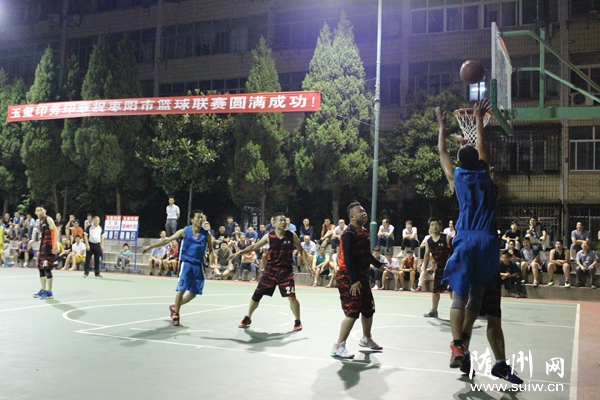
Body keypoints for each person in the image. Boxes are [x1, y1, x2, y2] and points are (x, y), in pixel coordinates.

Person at [437, 100, 511, 375]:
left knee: (459, 295)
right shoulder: (485, 175)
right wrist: (479, 119)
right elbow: (482, 145)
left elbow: (442, 151)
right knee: (478, 294)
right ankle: (471, 352)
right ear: (480, 163)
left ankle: (458, 346)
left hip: (465, 239)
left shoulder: (457, 177)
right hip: (488, 241)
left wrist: (442, 126)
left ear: (459, 163)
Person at [229, 212, 306, 332]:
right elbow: (254, 247)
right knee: (257, 295)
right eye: (281, 220)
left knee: (291, 296)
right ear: (274, 223)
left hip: (286, 272)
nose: (283, 222)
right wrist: (240, 252)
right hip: (270, 271)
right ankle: (248, 317)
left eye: (284, 220)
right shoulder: (269, 236)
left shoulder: (292, 235)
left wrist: (308, 264)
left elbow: (301, 249)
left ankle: (297, 321)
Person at [142, 209, 214, 326]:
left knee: (193, 294)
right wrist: (150, 247)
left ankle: (174, 306)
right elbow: (167, 240)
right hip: (186, 264)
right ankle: (176, 314)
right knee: (181, 290)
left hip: (198, 265)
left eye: (202, 217)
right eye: (198, 217)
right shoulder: (184, 231)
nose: (201, 219)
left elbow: (211, 250)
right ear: (192, 219)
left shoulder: (206, 234)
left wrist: (212, 262)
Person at [331, 202, 384, 359]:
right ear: (352, 217)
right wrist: (353, 280)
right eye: (360, 211)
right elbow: (347, 258)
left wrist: (378, 265)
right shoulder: (349, 233)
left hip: (361, 276)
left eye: (364, 210)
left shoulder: (364, 232)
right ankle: (338, 346)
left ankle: (366, 339)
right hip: (348, 276)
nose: (364, 213)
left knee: (368, 309)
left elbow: (366, 254)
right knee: (352, 312)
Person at [422, 218, 453, 318]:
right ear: (429, 228)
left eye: (437, 224)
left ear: (440, 226)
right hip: (439, 269)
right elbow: (426, 255)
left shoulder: (446, 237)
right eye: (432, 225)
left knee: (452, 289)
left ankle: (458, 309)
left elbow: (453, 252)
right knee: (435, 290)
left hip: (450, 269)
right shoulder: (429, 241)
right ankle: (434, 311)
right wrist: (424, 269)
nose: (435, 226)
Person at [32, 206, 59, 300]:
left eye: (41, 210)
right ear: (35, 213)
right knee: (41, 269)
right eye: (38, 210)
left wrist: (55, 244)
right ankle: (43, 290)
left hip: (49, 247)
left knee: (47, 269)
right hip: (43, 248)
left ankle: (49, 292)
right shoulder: (41, 222)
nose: (40, 212)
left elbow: (55, 230)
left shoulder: (48, 219)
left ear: (44, 211)